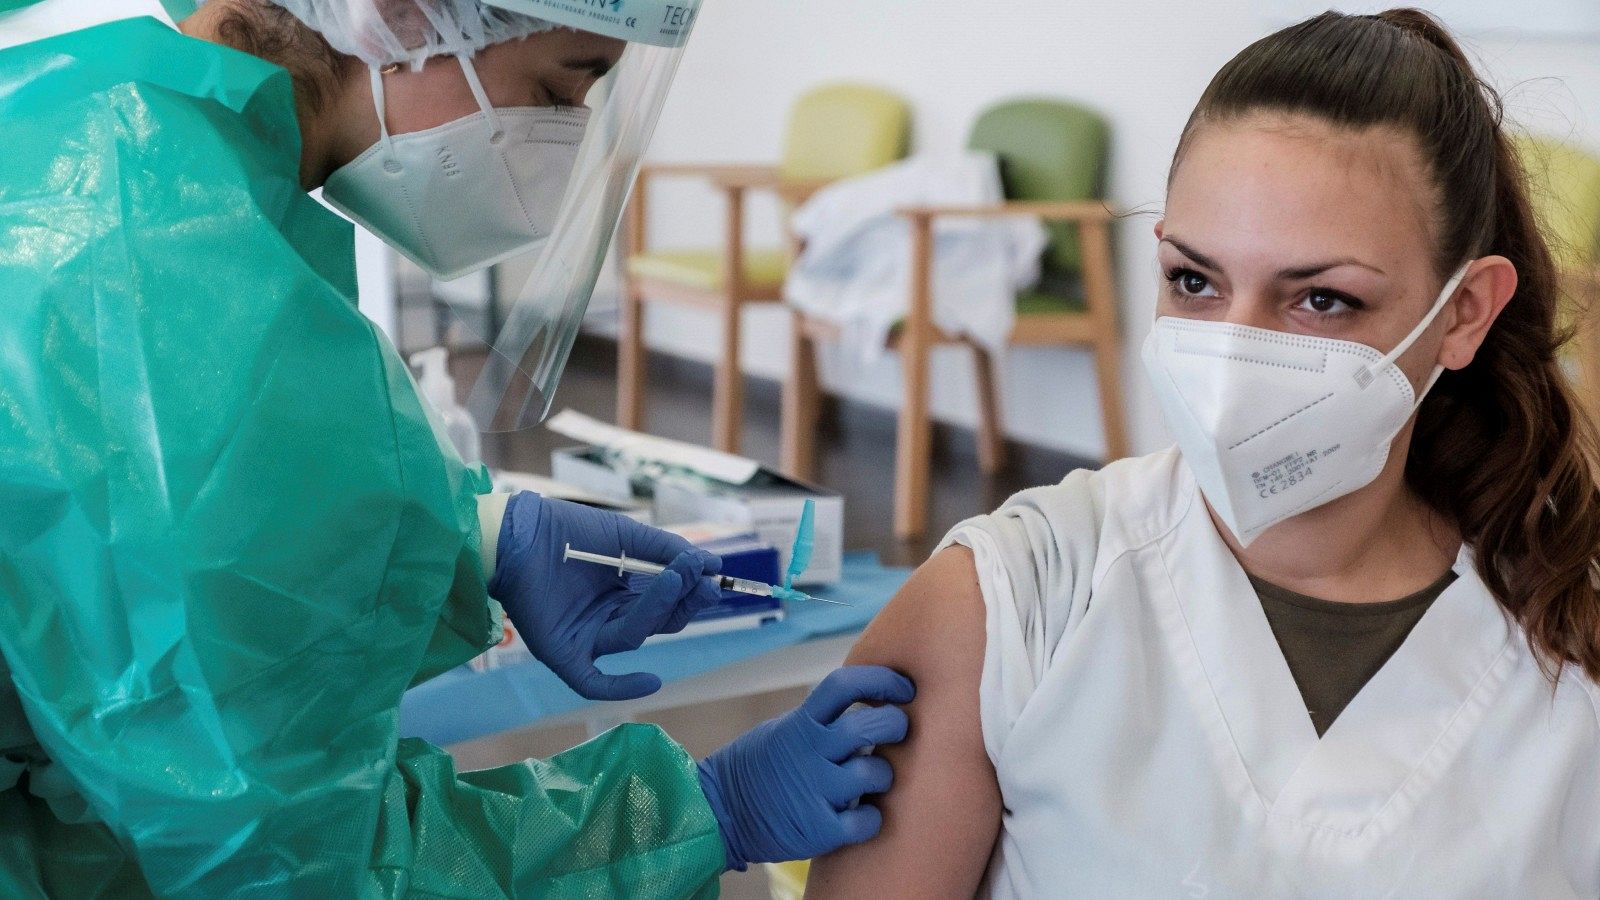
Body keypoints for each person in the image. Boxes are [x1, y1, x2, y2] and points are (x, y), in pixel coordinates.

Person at [0, 1, 912, 896]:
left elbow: (108, 564)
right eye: (560, 86)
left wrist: (475, 539)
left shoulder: (103, 140)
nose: (568, 139)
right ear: (396, 18)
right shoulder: (174, 311)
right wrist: (705, 810)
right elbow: (289, 870)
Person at [806, 8, 1600, 897]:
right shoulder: (1011, 601)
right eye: (1195, 281)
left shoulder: (1568, 637)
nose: (1233, 354)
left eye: (1322, 299)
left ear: (1464, 313)